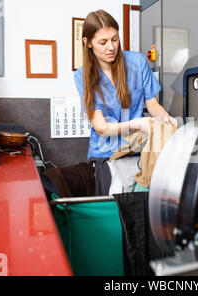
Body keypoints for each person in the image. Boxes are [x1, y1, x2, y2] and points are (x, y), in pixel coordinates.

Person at [74, 9, 177, 194]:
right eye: (103, 42)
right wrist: (137, 123)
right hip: (106, 157)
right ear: (87, 43)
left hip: (138, 152)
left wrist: (167, 121)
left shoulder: (137, 62)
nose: (111, 47)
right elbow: (101, 127)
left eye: (114, 39)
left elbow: (153, 105)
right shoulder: (82, 76)